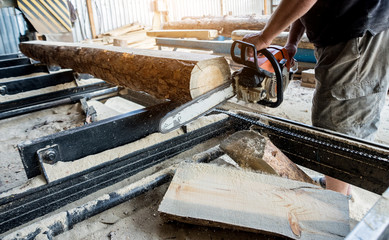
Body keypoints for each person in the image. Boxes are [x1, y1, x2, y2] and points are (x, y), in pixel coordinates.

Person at [242, 0, 389, 195]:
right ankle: (340, 187)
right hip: (350, 31)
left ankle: (335, 201)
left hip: (356, 34)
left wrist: (265, 37)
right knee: (346, 119)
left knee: (335, 125)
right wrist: (292, 43)